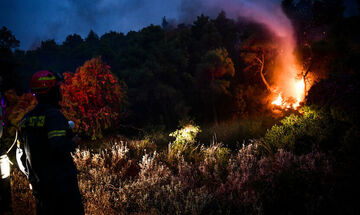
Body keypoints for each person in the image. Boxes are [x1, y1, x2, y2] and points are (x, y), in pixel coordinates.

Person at [17, 70, 84, 215]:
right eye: (57, 88)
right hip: (62, 189)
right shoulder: (53, 116)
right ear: (51, 91)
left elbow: (21, 156)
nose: (60, 91)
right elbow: (59, 147)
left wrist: (33, 179)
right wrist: (74, 141)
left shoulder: (25, 120)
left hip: (40, 190)